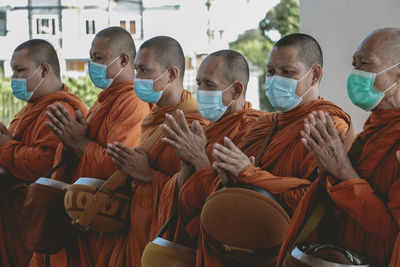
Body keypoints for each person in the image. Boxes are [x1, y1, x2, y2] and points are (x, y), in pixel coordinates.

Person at [196, 33, 353, 266]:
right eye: (271, 72)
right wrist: (229, 179)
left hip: (288, 251)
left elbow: (318, 199)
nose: (275, 79)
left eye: (287, 72)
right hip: (237, 247)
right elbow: (232, 187)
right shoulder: (262, 126)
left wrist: (250, 174)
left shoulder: (328, 127)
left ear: (315, 75)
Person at [278, 27, 400, 267]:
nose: (356, 73)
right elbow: (337, 213)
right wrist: (328, 173)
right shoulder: (371, 134)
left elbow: (392, 234)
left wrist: (343, 172)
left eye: (365, 64)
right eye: (354, 64)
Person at [30, 26, 151, 267]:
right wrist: (73, 141)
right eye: (91, 58)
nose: (91, 65)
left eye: (98, 58)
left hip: (105, 219)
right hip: (83, 215)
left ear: (124, 60)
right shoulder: (105, 101)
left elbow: (117, 165)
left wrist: (79, 142)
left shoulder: (132, 102)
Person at [105, 36, 208, 266]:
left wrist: (148, 175)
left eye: (144, 70)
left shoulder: (196, 122)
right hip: (138, 227)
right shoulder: (151, 118)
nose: (137, 78)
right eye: (136, 70)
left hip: (169, 238)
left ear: (172, 74)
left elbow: (200, 190)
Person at [155, 49, 266, 248]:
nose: (202, 91)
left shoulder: (256, 130)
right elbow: (183, 191)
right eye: (199, 84)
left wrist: (198, 158)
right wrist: (186, 164)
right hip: (193, 243)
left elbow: (238, 201)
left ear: (236, 90)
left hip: (227, 244)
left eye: (209, 84)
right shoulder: (206, 129)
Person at [0, 39, 87, 267]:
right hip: (14, 219)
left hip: (39, 223)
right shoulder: (30, 109)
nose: (14, 78)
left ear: (45, 69)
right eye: (13, 72)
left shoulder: (61, 110)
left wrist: (6, 147)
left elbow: (46, 163)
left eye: (20, 70)